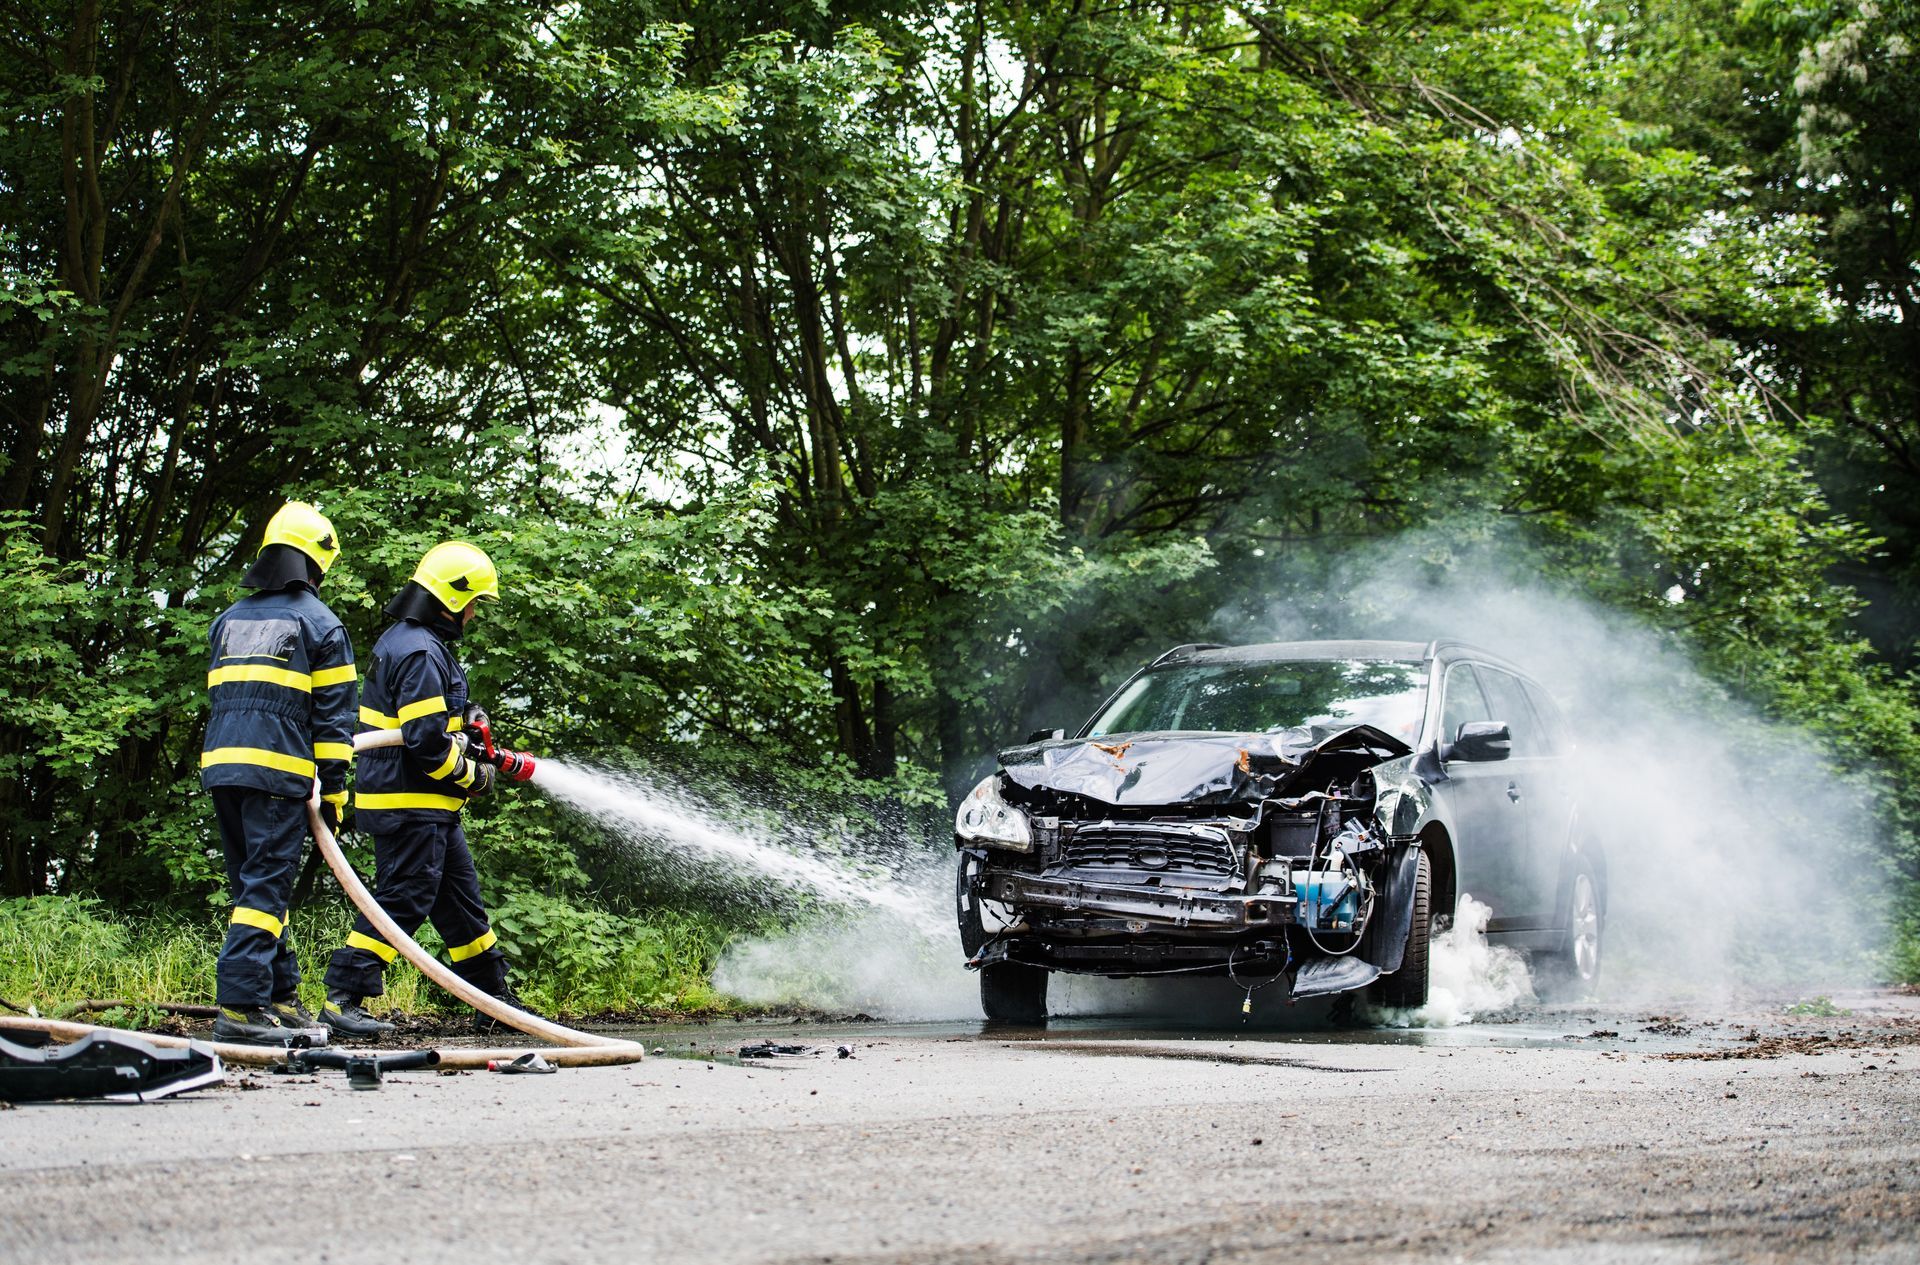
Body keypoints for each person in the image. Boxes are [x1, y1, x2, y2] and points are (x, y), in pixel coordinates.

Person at [321, 542, 519, 1038]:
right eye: (473, 603)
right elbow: (427, 742)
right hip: (410, 803)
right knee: (403, 898)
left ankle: (494, 999)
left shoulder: (415, 645)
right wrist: (474, 776)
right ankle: (343, 997)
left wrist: (470, 717)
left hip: (425, 806)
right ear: (453, 599)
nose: (473, 614)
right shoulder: (418, 651)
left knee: (460, 905)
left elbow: (434, 718)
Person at [201, 501, 356, 1045]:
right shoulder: (321, 624)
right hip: (277, 775)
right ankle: (240, 1007)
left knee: (256, 886)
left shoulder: (229, 619)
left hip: (223, 767)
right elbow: (335, 722)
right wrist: (334, 793)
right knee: (266, 888)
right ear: (317, 563)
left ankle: (281, 997)